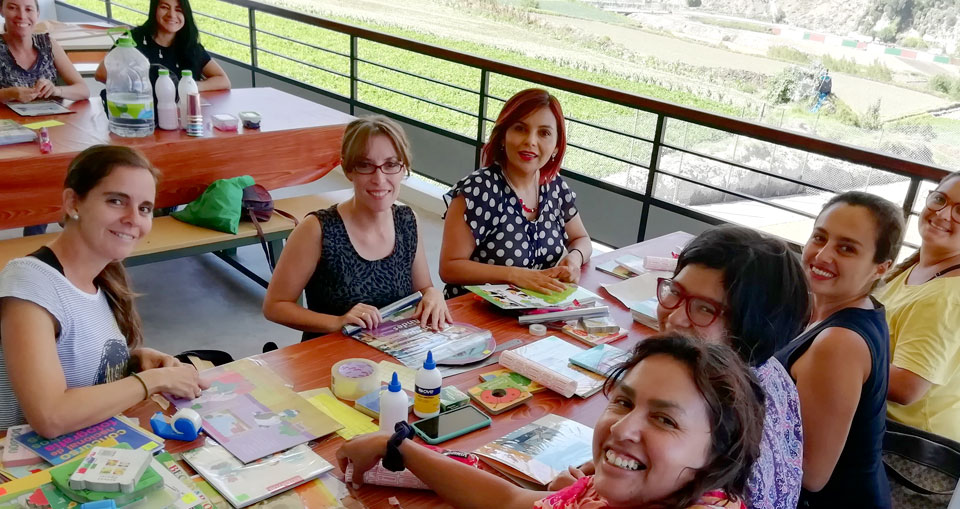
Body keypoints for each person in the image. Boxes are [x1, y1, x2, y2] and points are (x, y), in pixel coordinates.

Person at [337, 333, 765, 509]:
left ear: (718, 453)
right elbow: (512, 502)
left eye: (665, 420)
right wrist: (397, 446)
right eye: (622, 402)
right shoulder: (613, 491)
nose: (622, 429)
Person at [0, 145, 205, 440]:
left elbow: (73, 357)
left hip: (80, 446)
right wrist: (152, 381)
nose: (133, 218)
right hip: (5, 464)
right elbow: (50, 417)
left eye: (144, 208)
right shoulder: (28, 284)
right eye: (117, 201)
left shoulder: (102, 278)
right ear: (73, 203)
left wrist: (130, 360)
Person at [633, 226, 811, 509]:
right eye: (674, 292)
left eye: (705, 308)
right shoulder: (770, 369)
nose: (676, 318)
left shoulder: (716, 411)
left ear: (749, 328)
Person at [263, 116, 450, 341]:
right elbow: (275, 306)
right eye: (365, 165)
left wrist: (434, 295)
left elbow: (423, 288)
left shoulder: (408, 221)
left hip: (392, 352)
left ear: (403, 169)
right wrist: (338, 322)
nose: (379, 179)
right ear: (348, 169)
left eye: (391, 165)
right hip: (331, 358)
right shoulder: (317, 229)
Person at [775, 191, 905, 508]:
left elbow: (810, 473)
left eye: (846, 248)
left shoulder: (838, 344)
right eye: (820, 237)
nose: (822, 255)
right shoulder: (849, 308)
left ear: (881, 267)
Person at [879, 168, 960, 446]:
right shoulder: (933, 263)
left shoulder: (948, 298)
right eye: (940, 199)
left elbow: (905, 387)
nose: (944, 213)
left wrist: (836, 357)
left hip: (915, 451)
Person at [439, 88, 591, 298]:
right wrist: (514, 275)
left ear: (556, 145)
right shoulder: (477, 190)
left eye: (544, 133)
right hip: (476, 315)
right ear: (503, 137)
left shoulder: (555, 187)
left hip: (536, 312)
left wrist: (574, 259)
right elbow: (450, 268)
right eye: (520, 128)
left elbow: (581, 238)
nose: (530, 141)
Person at [0, 0, 90, 107]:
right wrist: (9, 94)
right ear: (0, 10)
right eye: (12, 8)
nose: (22, 16)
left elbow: (83, 90)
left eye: (29, 9)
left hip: (48, 123)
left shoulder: (49, 44)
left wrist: (56, 90)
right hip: (4, 126)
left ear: (37, 13)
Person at [94, 0, 230, 90]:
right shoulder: (134, 39)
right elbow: (101, 73)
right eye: (164, 7)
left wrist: (189, 86)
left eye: (178, 9)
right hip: (142, 113)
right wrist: (139, 88)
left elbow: (223, 81)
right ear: (154, 10)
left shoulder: (189, 45)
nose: (172, 15)